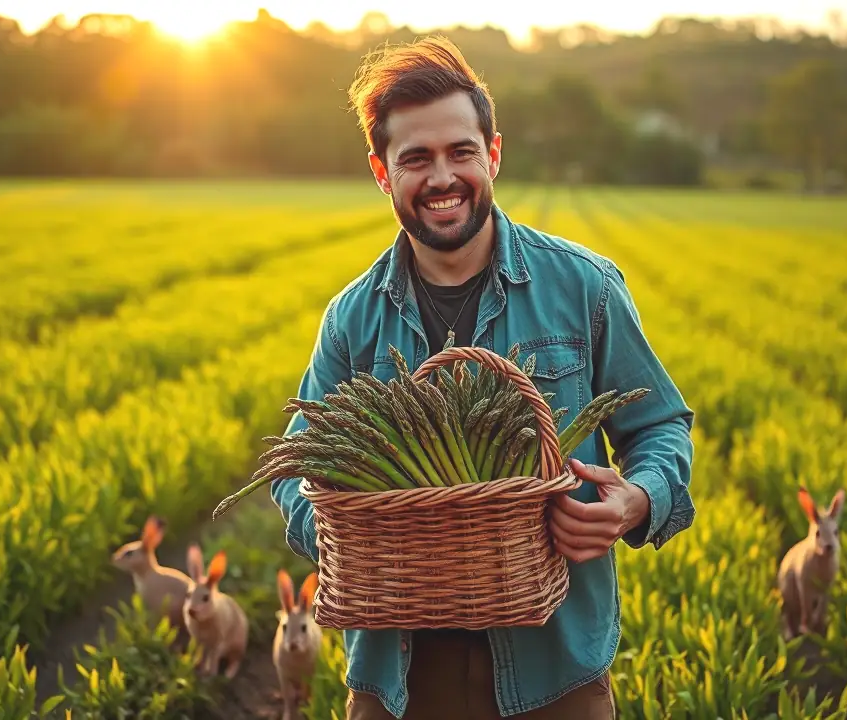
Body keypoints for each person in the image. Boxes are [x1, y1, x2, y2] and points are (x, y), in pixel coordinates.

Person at [270, 35, 695, 719]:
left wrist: (634, 502)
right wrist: (336, 529)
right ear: (382, 172)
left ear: (492, 153)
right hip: (397, 682)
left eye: (460, 152)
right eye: (416, 159)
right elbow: (296, 463)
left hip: (557, 670)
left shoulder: (584, 287)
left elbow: (661, 427)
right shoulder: (352, 320)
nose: (442, 178)